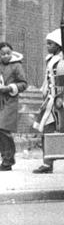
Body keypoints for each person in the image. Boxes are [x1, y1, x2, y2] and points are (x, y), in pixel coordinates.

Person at [34, 30, 63, 174]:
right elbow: (48, 79)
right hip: (49, 99)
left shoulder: (60, 60)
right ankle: (47, 162)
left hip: (56, 100)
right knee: (46, 130)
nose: (48, 46)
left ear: (58, 45)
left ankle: (48, 163)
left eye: (50, 44)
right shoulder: (50, 59)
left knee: (49, 131)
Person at [0, 41, 27, 171]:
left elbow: (23, 84)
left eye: (8, 53)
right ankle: (6, 158)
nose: (6, 56)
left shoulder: (17, 65)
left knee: (3, 129)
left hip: (9, 101)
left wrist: (10, 88)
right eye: (2, 54)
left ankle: (8, 160)